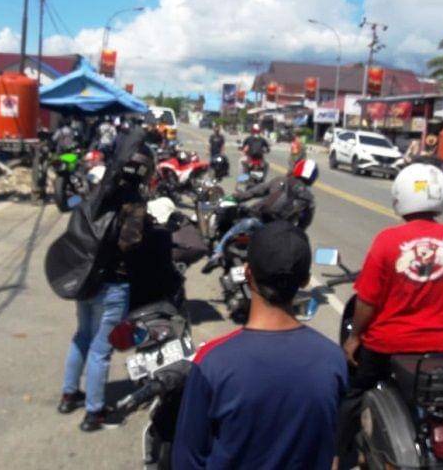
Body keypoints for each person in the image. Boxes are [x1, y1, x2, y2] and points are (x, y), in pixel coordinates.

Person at [173, 221, 348, 470]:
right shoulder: (333, 359)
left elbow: (187, 460)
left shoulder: (212, 362)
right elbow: (331, 446)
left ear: (247, 273)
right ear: (305, 281)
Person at [337, 163, 443, 459]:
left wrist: (355, 337)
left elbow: (367, 301)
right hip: (438, 349)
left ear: (400, 195)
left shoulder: (387, 241)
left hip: (385, 346)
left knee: (353, 393)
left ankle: (337, 458)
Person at [58, 135, 154, 432]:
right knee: (101, 349)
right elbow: (130, 244)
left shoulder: (98, 190)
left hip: (84, 279)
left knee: (82, 337)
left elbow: (71, 209)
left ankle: (69, 395)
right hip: (113, 285)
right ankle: (94, 412)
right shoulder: (133, 201)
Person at [203, 159, 318, 273]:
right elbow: (304, 224)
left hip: (257, 221)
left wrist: (235, 198)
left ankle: (217, 255)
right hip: (278, 232)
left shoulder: (280, 181)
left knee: (240, 224)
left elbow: (254, 192)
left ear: (296, 170)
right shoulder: (309, 199)